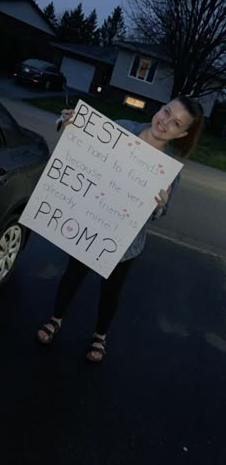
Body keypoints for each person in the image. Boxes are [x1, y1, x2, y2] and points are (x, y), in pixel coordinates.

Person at [37, 96, 204, 362]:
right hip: (90, 222)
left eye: (176, 124)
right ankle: (56, 318)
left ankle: (100, 335)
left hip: (125, 243)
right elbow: (83, 151)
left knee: (111, 291)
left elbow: (160, 214)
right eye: (166, 111)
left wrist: (159, 205)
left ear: (182, 133)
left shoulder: (168, 169)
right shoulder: (120, 129)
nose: (165, 122)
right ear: (160, 107)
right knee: (72, 275)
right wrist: (70, 126)